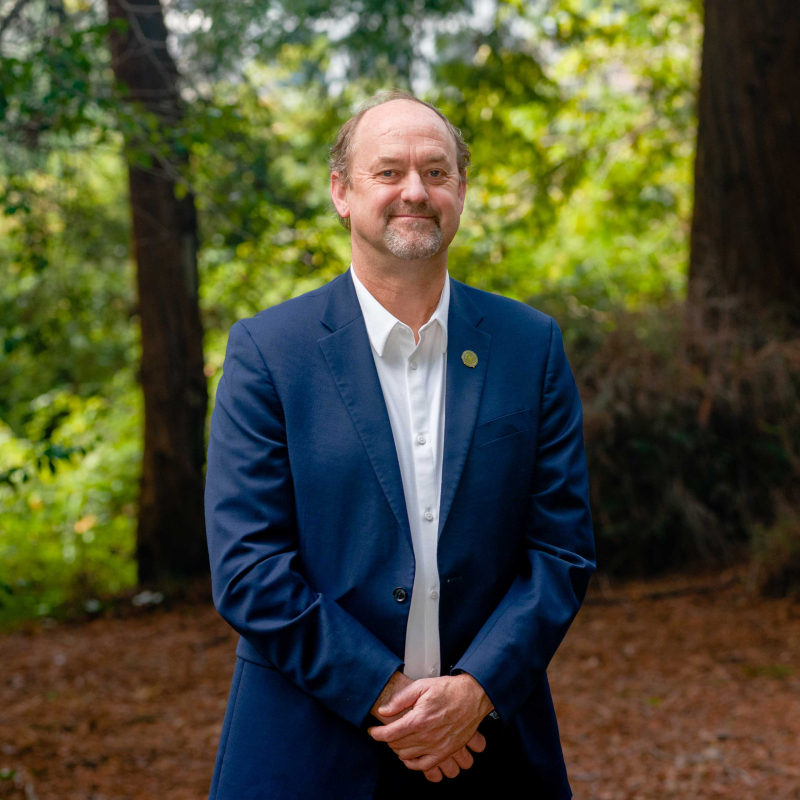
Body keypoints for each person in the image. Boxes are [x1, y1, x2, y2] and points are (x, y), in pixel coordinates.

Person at [204, 89, 596, 800]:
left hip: (490, 747)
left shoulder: (529, 346)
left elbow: (561, 552)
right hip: (308, 749)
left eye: (437, 172)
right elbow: (247, 568)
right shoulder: (269, 352)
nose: (415, 190)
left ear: (461, 192)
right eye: (388, 172)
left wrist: (474, 691)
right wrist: (393, 699)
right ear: (342, 193)